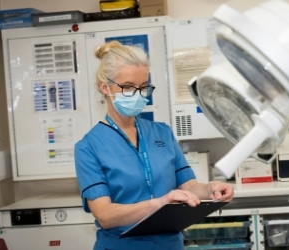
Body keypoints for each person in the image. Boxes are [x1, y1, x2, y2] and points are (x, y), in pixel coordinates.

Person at [74, 40, 234, 250]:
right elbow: (105, 215)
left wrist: (211, 188)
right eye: (129, 87)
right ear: (105, 87)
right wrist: (158, 204)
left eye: (143, 87)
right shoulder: (88, 147)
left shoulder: (162, 133)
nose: (139, 94)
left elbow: (190, 188)